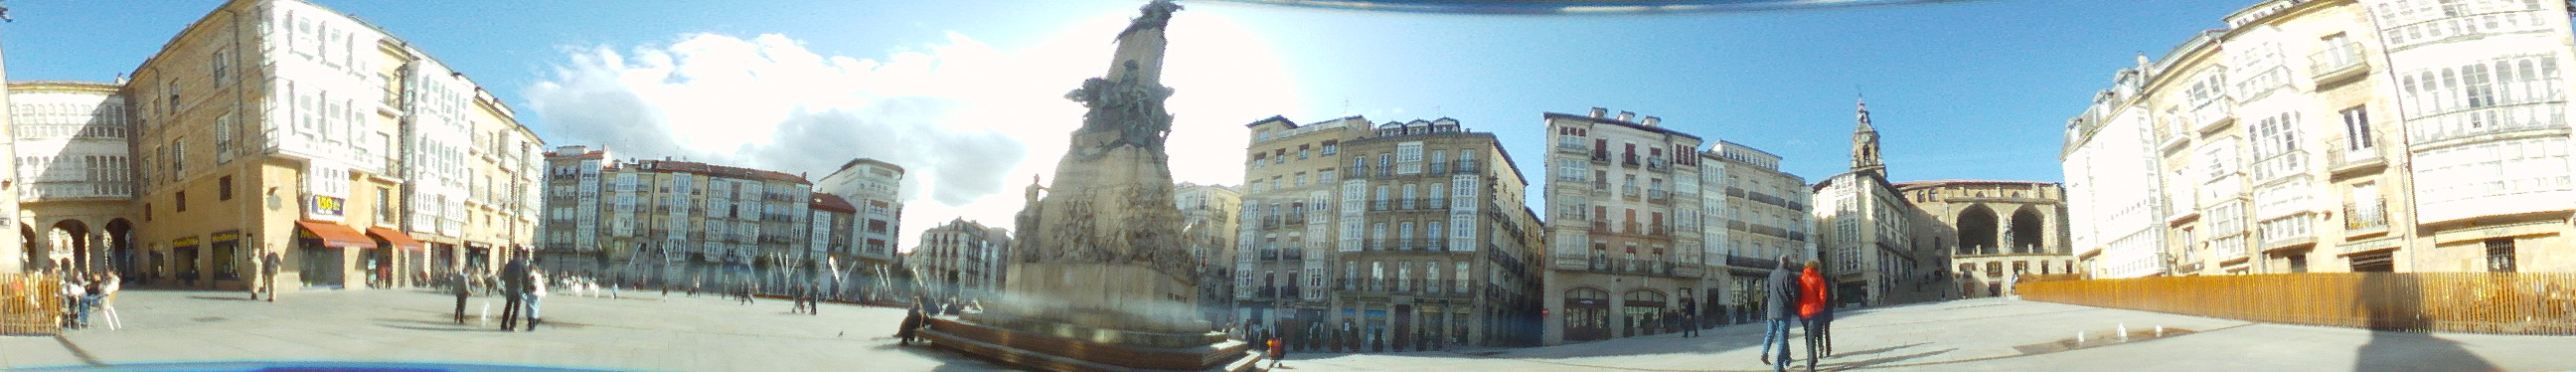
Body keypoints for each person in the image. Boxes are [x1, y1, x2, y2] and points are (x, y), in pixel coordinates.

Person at [1757, 255, 1799, 372]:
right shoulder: (1788, 275)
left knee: (1773, 334)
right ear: (1788, 263)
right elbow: (1793, 293)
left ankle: (1783, 357)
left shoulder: (1772, 274)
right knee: (1782, 338)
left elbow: (1768, 292)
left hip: (1773, 310)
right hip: (1784, 310)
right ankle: (1778, 365)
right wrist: (1794, 306)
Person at [1799, 260, 1828, 371]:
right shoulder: (1819, 278)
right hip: (1815, 312)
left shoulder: (1801, 279)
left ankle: (1812, 358)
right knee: (1812, 338)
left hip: (1803, 312)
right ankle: (1810, 365)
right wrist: (1819, 306)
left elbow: (1797, 295)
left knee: (1808, 336)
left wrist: (1799, 307)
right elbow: (1822, 295)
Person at [499, 257, 529, 331]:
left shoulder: (508, 264)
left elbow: (504, 275)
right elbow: (527, 277)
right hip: (518, 287)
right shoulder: (522, 264)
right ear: (521, 256)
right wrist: (526, 290)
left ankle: (503, 324)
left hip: (509, 287)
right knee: (516, 307)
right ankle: (513, 325)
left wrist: (506, 284)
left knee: (508, 306)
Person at [526, 267, 548, 331]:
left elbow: (533, 285)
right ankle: (534, 323)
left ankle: (531, 325)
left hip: (533, 293)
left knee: (530, 309)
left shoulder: (532, 275)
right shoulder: (539, 275)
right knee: (535, 308)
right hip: (539, 294)